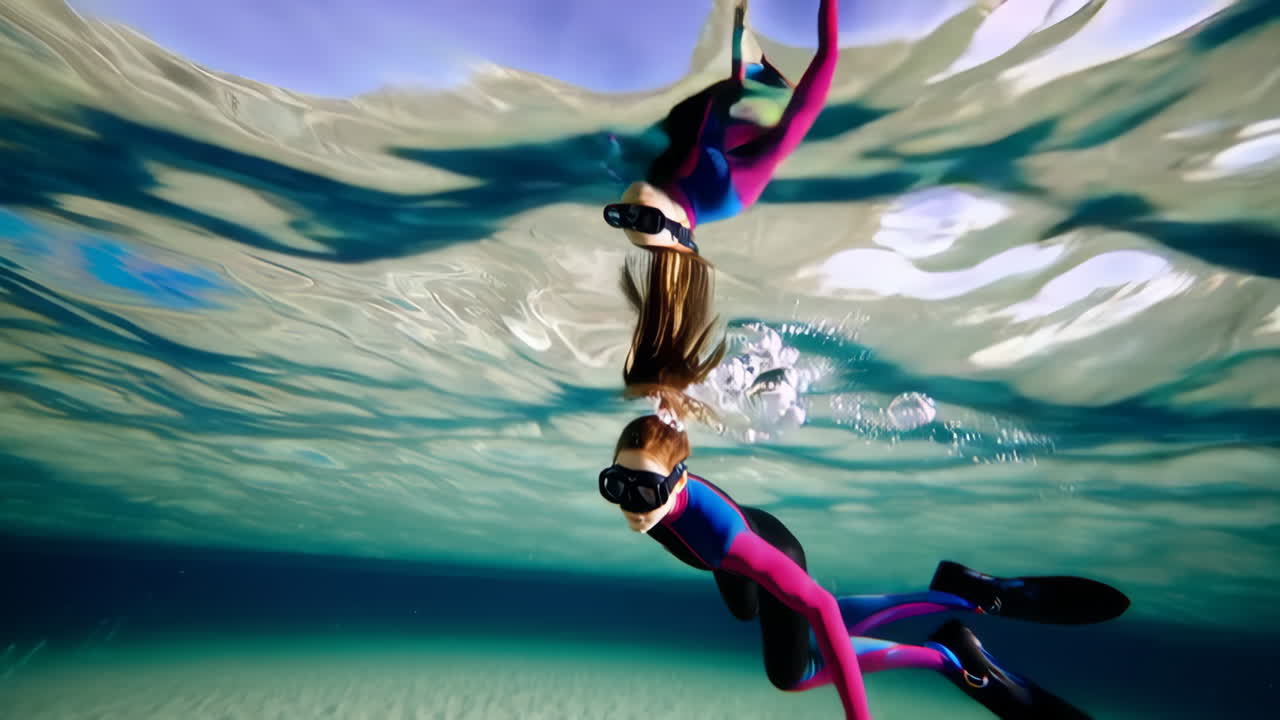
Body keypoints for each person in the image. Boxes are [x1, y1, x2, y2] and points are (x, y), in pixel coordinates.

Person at [599, 415, 1130, 719]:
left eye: (644, 490)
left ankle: (946, 653)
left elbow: (824, 607)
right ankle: (958, 592)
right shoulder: (658, 483)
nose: (631, 504)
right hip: (742, 556)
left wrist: (859, 717)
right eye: (616, 485)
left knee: (795, 671)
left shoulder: (730, 543)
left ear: (680, 478)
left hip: (764, 552)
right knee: (751, 616)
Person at [602, 0, 841, 253]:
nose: (633, 213)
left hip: (722, 98)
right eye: (648, 222)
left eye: (623, 218)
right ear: (681, 225)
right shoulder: (726, 192)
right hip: (764, 94)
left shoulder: (645, 179)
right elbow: (808, 102)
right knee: (735, 31)